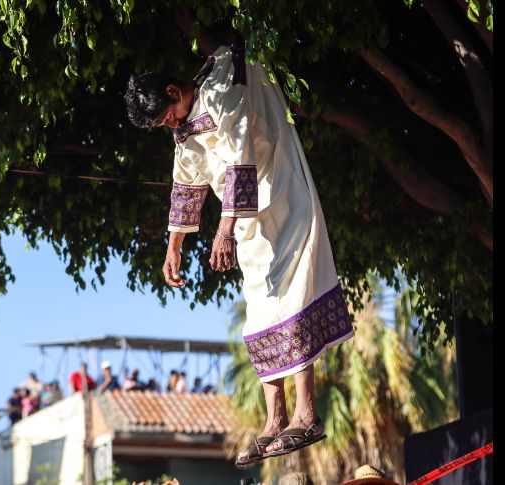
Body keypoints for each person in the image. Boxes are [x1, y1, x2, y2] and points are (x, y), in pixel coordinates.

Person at [124, 7, 353, 469]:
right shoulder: (184, 128)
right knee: (261, 313)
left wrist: (224, 230)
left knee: (292, 299)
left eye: (165, 117)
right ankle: (274, 420)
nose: (169, 126)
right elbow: (187, 181)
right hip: (248, 219)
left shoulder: (222, 89)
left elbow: (242, 157)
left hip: (283, 196)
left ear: (173, 92)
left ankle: (306, 414)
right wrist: (174, 246)